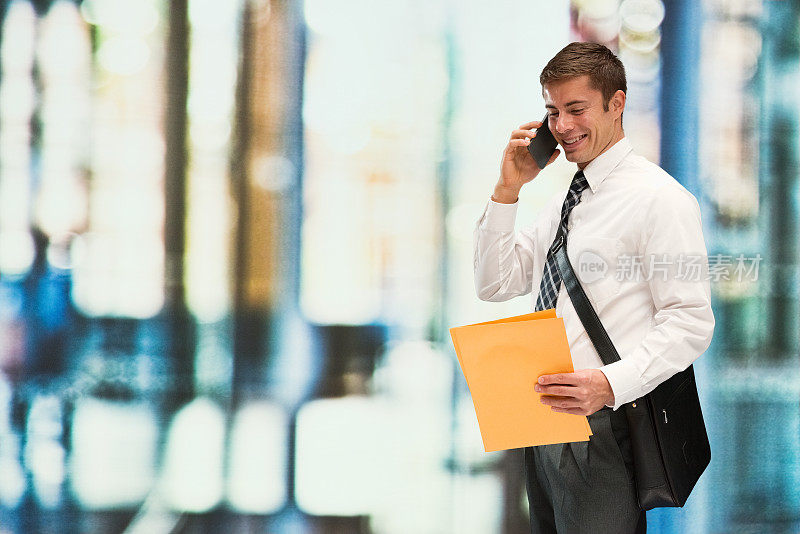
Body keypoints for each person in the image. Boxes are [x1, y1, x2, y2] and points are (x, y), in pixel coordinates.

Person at [473, 42, 715, 534]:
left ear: (616, 103)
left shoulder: (660, 199)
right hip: (539, 417)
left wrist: (609, 385)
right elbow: (496, 284)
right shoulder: (565, 199)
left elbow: (690, 323)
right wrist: (507, 192)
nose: (561, 127)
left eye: (576, 109)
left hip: (600, 422)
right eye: (552, 111)